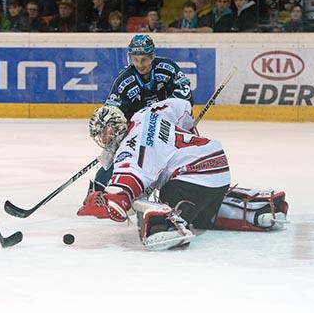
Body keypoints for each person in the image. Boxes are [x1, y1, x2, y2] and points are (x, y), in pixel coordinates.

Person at [78, 99, 289, 250]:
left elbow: (121, 197)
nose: (103, 140)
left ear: (112, 130)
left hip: (191, 179)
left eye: (103, 134)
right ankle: (255, 209)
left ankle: (167, 225)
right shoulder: (146, 114)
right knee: (202, 213)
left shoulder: (128, 149)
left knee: (156, 200)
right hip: (217, 168)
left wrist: (103, 201)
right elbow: (183, 106)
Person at [88, 34, 192, 191]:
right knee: (119, 155)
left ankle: (187, 188)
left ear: (152, 56)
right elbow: (114, 106)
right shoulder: (124, 80)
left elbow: (184, 96)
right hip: (138, 128)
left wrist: (177, 120)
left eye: (143, 59)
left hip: (167, 124)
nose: (139, 64)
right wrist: (110, 126)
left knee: (186, 151)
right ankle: (99, 190)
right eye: (135, 59)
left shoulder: (167, 68)